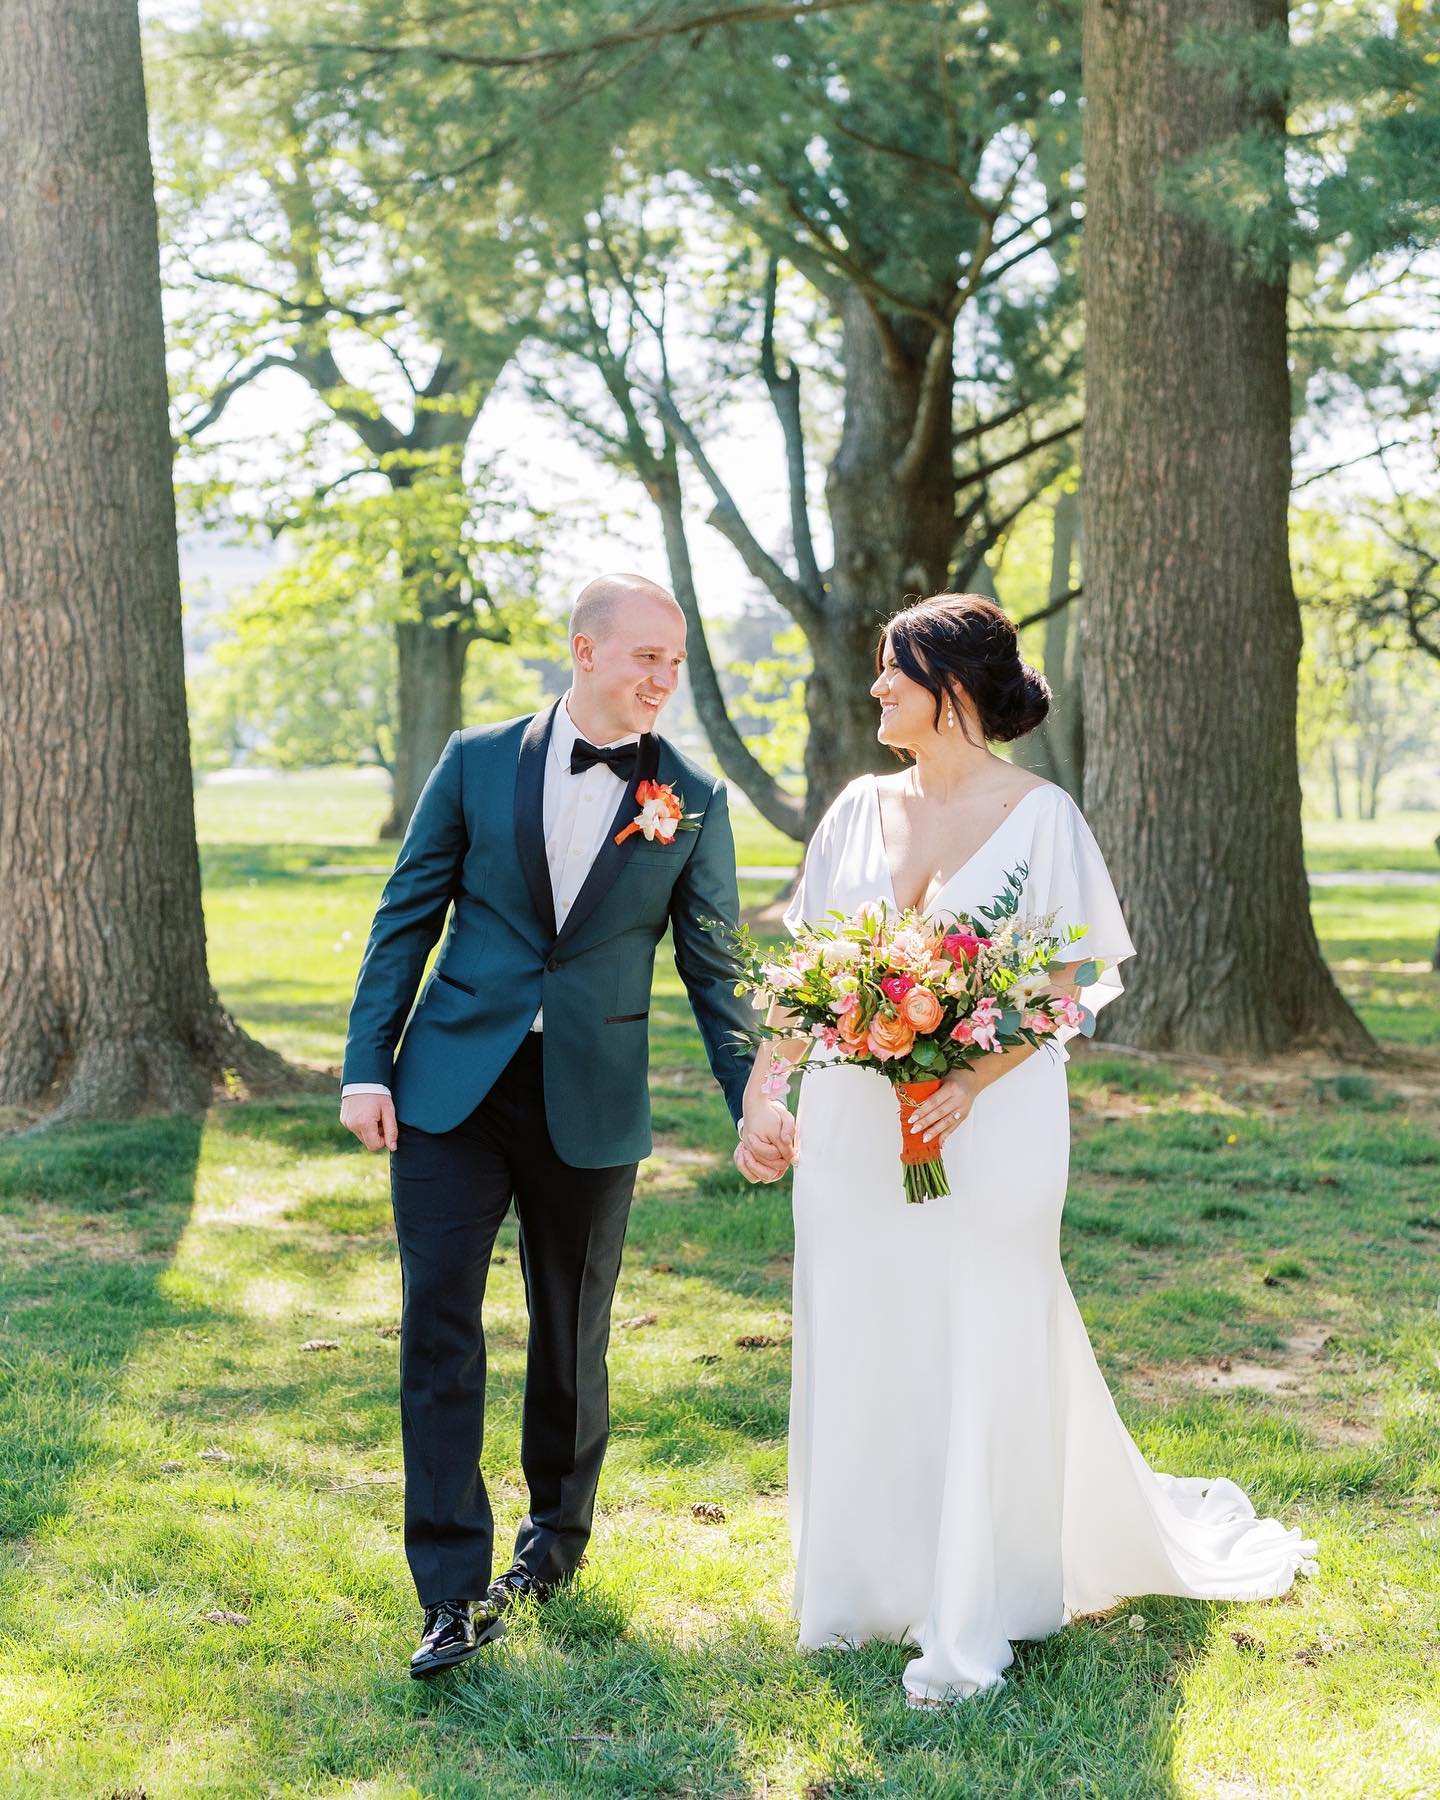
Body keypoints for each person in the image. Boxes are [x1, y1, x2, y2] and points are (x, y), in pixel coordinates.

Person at [735, 592, 1316, 1707]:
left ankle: (978, 1595)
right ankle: (863, 1589)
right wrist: (768, 1099)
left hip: (992, 1123)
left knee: (982, 1324)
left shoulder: (1045, 819)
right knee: (862, 1328)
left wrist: (965, 1075)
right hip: (857, 1125)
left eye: (893, 675)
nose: (875, 693)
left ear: (952, 688)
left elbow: (1067, 989)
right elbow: (800, 981)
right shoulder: (855, 810)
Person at [341, 573, 795, 1677]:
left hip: (590, 1100)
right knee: (438, 1328)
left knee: (571, 1333)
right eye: (646, 658)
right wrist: (367, 1065)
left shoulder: (689, 797)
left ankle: (553, 1545)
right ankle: (448, 1590)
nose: (662, 681)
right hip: (453, 1086)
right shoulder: (476, 759)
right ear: (584, 651)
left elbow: (716, 966)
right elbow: (406, 914)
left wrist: (756, 1098)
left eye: (676, 664)